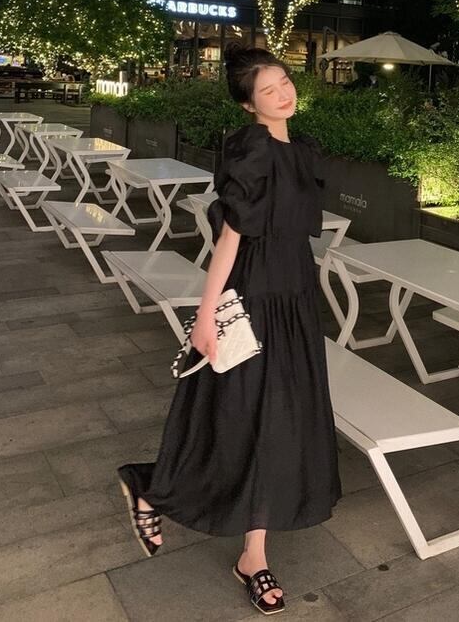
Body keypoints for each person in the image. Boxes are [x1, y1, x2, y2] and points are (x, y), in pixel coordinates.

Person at [117, 46, 341, 616]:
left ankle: (251, 554)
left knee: (283, 420)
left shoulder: (302, 147)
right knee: (243, 416)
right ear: (248, 104)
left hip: (295, 294)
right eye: (268, 90)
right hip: (255, 293)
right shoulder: (252, 148)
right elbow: (230, 236)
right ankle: (157, 488)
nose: (284, 93)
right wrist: (206, 314)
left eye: (285, 81)